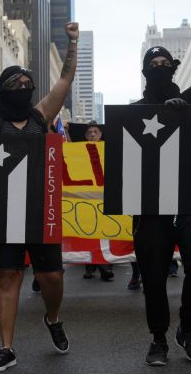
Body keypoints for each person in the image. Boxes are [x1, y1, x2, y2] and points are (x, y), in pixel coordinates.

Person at [0, 22, 79, 372]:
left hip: (40, 210)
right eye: (16, 85)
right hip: (5, 212)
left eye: (28, 85)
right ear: (3, 90)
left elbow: (65, 81)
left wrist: (73, 42)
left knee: (52, 278)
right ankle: (6, 348)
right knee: (9, 276)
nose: (23, 89)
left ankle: (52, 318)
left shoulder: (41, 115)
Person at [132, 4, 191, 367]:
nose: (160, 69)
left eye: (165, 63)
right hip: (150, 204)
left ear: (173, 68)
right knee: (153, 274)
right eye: (153, 65)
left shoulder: (189, 100)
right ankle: (158, 338)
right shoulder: (133, 112)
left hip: (187, 198)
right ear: (144, 73)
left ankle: (187, 327)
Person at [81, 121, 115, 282]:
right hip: (86, 198)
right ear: (85, 136)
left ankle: (101, 265)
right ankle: (95, 267)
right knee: (89, 232)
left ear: (101, 134)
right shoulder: (79, 151)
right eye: (89, 132)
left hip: (104, 197)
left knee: (103, 232)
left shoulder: (109, 149)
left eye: (95, 131)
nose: (92, 134)